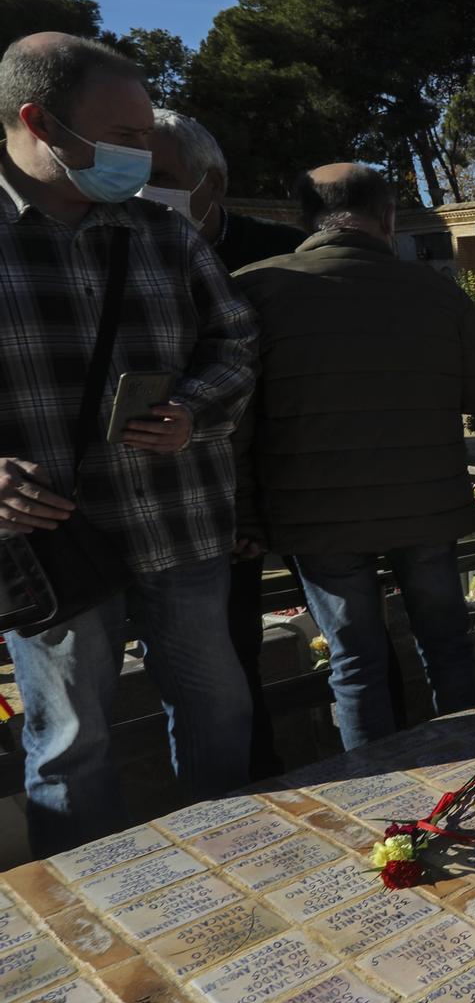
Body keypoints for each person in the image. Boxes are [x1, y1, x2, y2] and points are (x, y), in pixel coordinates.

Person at [0, 33, 257, 854]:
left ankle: (240, 865)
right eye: (129, 136)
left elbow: (236, 344)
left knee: (220, 711)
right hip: (51, 550)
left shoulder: (161, 233)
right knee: (71, 746)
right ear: (40, 121)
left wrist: (193, 408)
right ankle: (93, 920)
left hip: (176, 524)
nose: (146, 154)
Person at [232, 164, 475, 749]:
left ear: (302, 219)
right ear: (387, 218)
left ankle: (374, 788)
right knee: (447, 644)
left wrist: (248, 512)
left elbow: (238, 421)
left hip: (317, 513)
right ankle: (474, 759)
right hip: (425, 501)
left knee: (353, 661)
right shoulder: (437, 292)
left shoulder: (256, 288)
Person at [143, 107, 305, 778]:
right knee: (226, 658)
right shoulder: (126, 242)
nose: (145, 191)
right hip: (194, 499)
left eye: (162, 176)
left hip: (292, 477)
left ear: (214, 182)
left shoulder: (281, 253)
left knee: (350, 625)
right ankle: (258, 783)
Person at [142, 109, 305, 271]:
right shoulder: (121, 253)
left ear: (214, 184)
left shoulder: (288, 251)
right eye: (129, 178)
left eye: (158, 177)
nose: (138, 194)